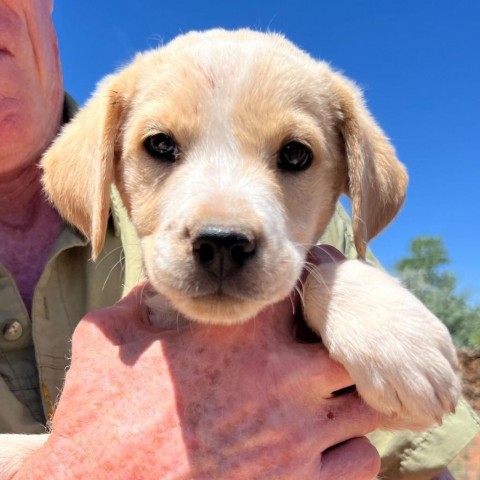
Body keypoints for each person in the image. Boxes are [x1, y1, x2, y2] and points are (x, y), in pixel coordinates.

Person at [0, 1, 477, 478]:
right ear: (107, 165)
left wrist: (332, 287)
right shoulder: (93, 147)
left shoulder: (321, 255)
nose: (224, 228)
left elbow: (420, 447)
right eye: (162, 147)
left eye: (293, 155)